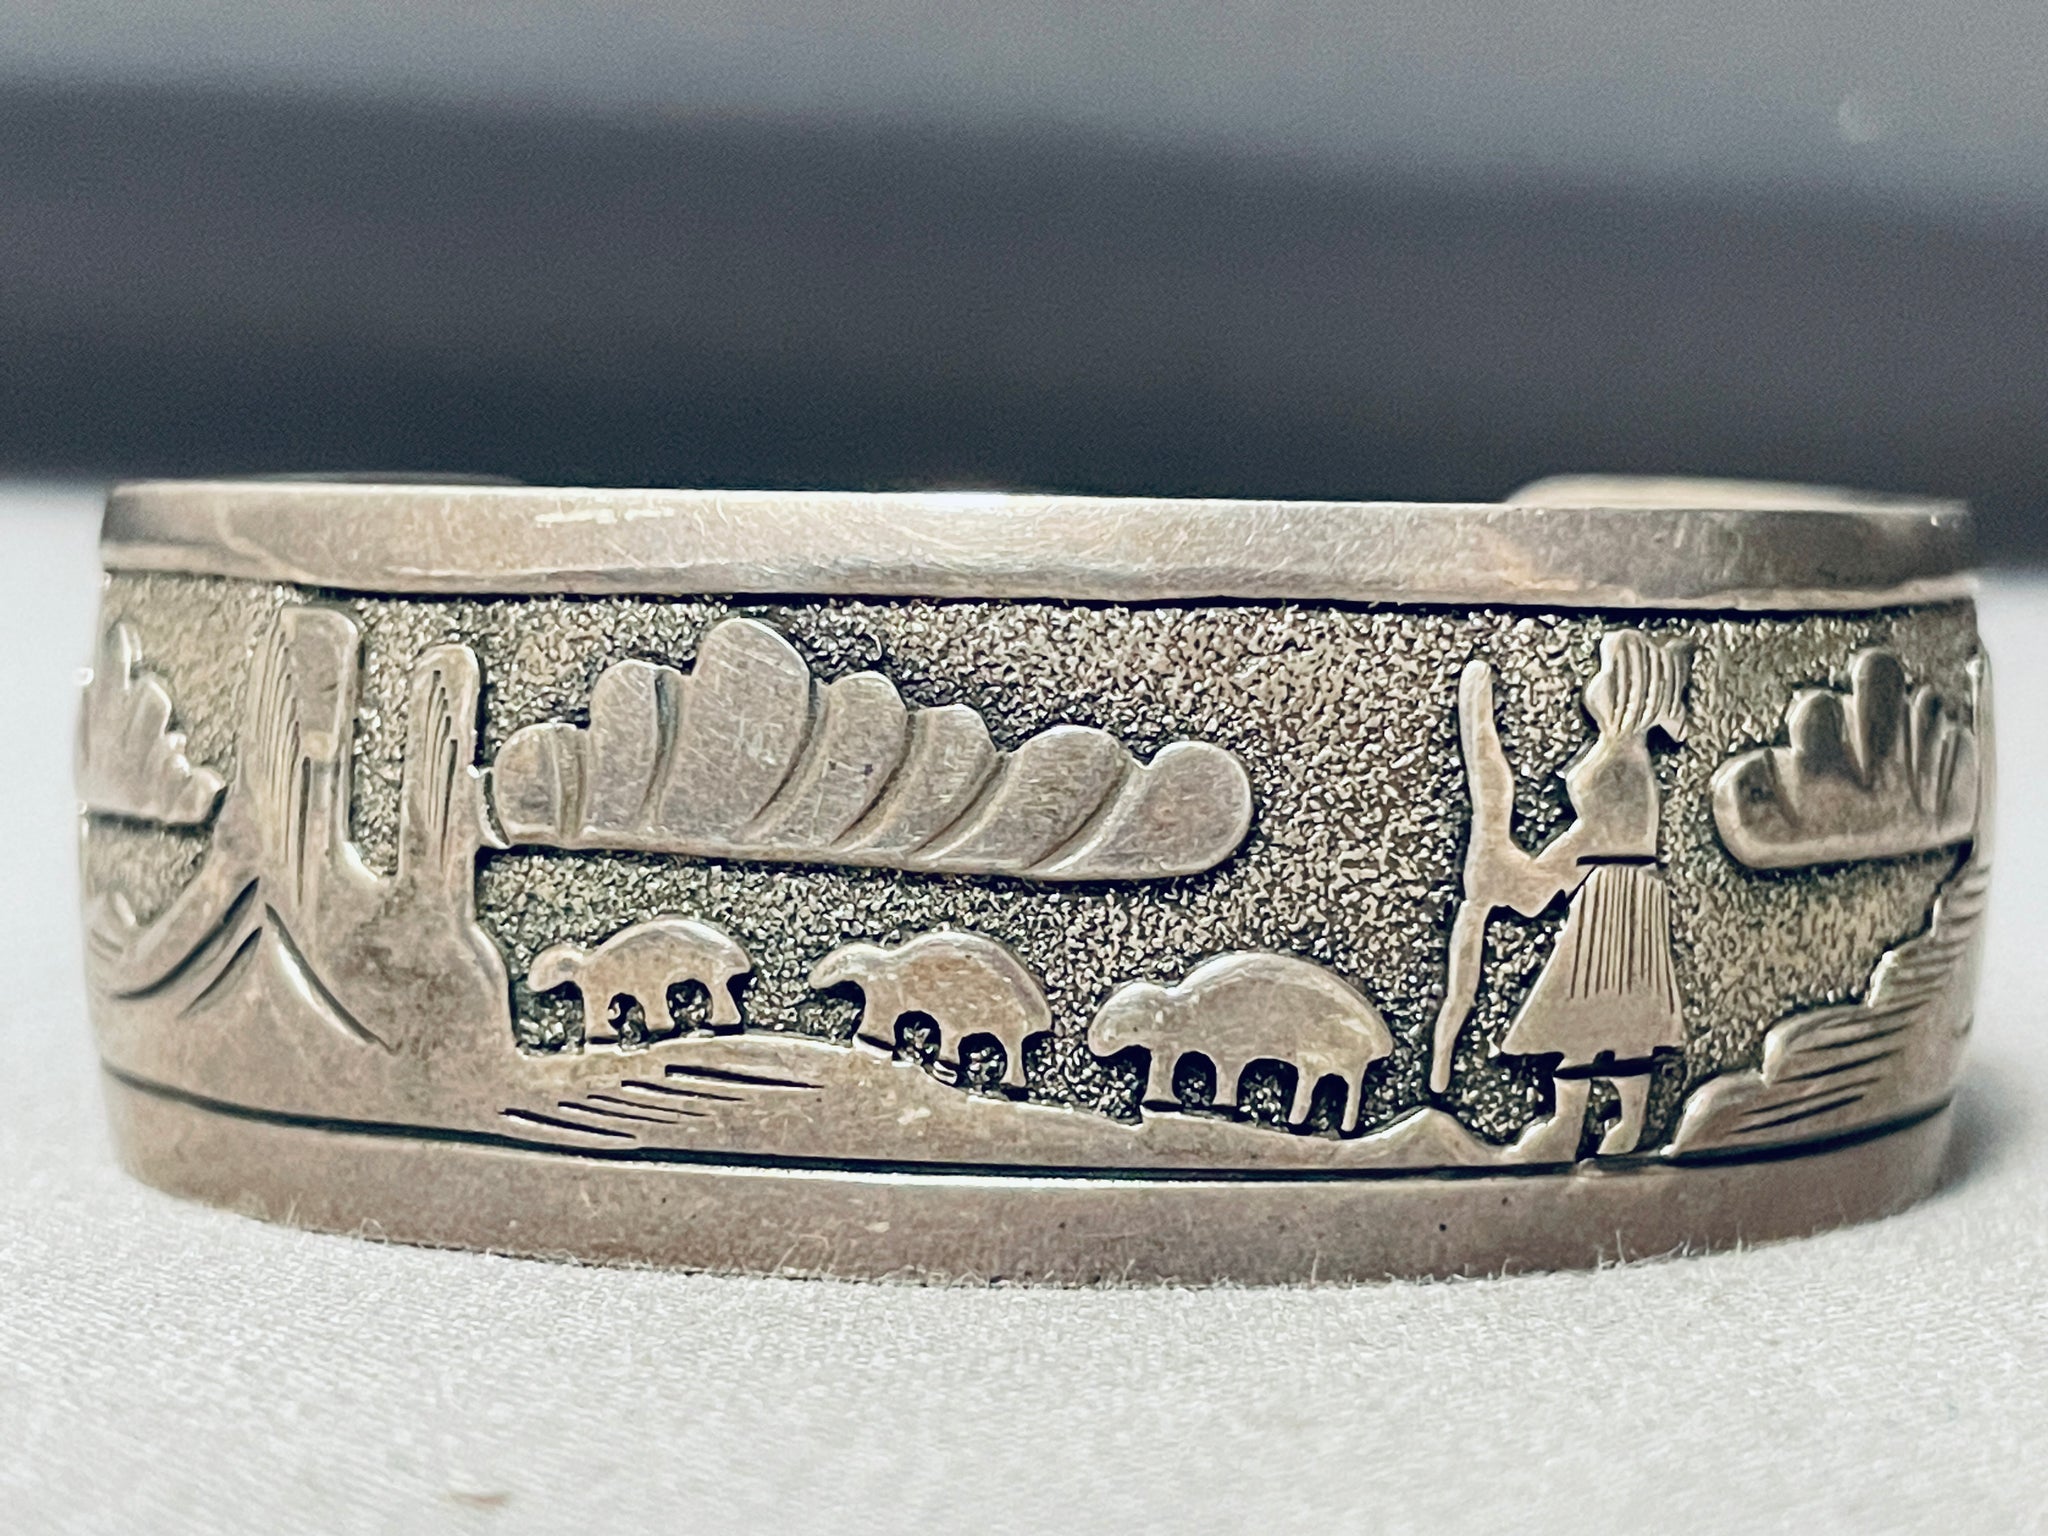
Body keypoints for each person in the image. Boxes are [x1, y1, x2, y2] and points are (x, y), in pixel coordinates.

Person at [1429, 629, 1692, 1154]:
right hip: (1601, 894)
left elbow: (1601, 832)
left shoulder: (1622, 762)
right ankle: (1571, 1119)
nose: (1594, 685)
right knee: (1586, 1016)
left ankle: (1627, 1122)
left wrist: (1543, 872)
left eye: (1605, 675)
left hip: (1614, 897)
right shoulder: (1620, 752)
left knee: (1618, 1014)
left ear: (1630, 690)